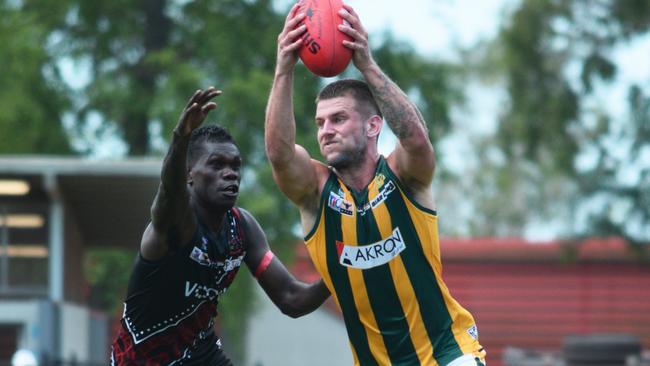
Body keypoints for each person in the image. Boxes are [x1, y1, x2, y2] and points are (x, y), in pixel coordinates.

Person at [264, 4, 485, 366]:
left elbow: (416, 139)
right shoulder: (316, 193)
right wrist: (284, 67)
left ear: (372, 126)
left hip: (447, 353)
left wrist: (366, 63)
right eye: (320, 123)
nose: (326, 131)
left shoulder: (403, 175)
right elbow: (279, 155)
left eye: (338, 119)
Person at [111, 87, 330, 365]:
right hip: (145, 359)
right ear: (190, 174)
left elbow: (291, 298)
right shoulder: (176, 221)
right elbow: (168, 194)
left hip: (201, 354)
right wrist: (180, 138)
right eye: (216, 164)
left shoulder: (243, 228)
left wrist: (337, 274)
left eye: (235, 166)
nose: (230, 173)